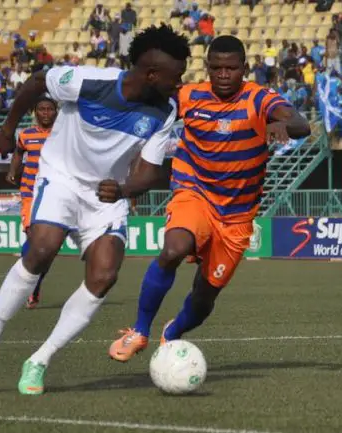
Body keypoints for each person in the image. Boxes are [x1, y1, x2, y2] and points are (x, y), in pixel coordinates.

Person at [0, 25, 190, 395]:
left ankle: (40, 360)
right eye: (176, 76)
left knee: (105, 275)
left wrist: (125, 189)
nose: (180, 84)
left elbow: (149, 171)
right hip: (61, 177)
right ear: (151, 74)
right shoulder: (89, 82)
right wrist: (8, 127)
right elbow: (38, 81)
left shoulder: (165, 111)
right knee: (42, 249)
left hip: (106, 195)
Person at [104, 35, 311, 362]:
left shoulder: (259, 98)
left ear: (245, 68)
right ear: (207, 68)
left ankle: (172, 333)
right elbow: (146, 106)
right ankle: (139, 330)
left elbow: (301, 124)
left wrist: (280, 123)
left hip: (237, 215)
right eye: (216, 68)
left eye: (231, 68)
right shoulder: (188, 96)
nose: (224, 75)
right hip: (194, 192)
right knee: (173, 249)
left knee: (204, 297)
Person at [6, 96, 58, 309]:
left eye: (49, 109)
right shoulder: (26, 135)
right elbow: (18, 154)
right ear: (35, 112)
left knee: (47, 248)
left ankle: (34, 286)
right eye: (42, 109)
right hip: (29, 193)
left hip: (54, 194)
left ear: (56, 112)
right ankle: (29, 283)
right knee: (34, 240)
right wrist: (12, 171)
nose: (45, 113)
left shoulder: (62, 135)